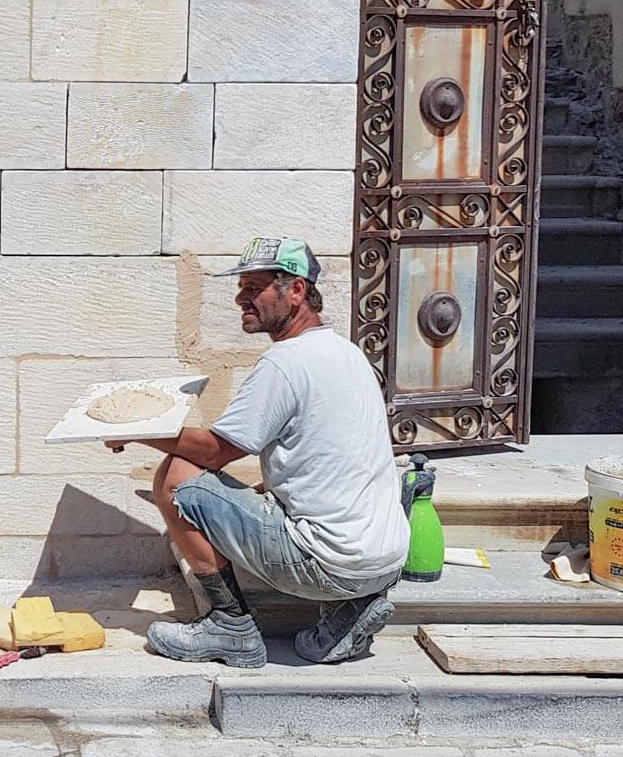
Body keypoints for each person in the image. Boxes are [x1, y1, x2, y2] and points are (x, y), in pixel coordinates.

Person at [108, 237, 409, 669]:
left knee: (175, 476)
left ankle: (230, 627)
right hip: (386, 559)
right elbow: (323, 456)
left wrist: (140, 428)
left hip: (326, 564)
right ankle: (352, 609)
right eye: (242, 288)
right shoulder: (348, 353)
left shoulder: (284, 363)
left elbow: (214, 452)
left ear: (297, 291)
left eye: (253, 288)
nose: (240, 299)